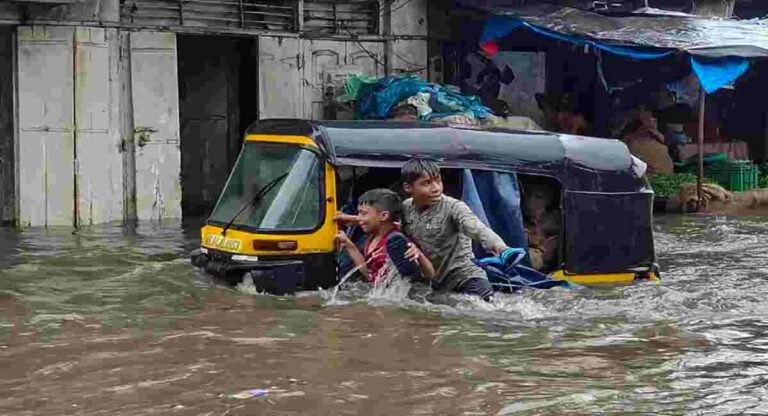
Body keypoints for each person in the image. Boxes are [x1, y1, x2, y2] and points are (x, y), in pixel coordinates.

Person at [400, 158, 509, 301]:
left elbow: (478, 228)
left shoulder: (454, 207)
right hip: (433, 283)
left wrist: (501, 248)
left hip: (466, 278)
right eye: (426, 183)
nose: (436, 188)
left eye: (438, 181)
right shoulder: (406, 208)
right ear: (408, 188)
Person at [336, 188, 435, 284]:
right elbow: (370, 275)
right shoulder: (372, 236)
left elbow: (430, 275)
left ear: (383, 216)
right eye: (359, 213)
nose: (359, 218)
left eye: (363, 213)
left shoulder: (397, 242)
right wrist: (348, 244)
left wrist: (419, 256)